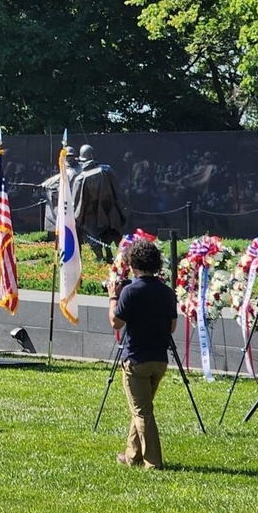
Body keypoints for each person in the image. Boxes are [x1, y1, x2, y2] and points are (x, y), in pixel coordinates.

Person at [109, 239, 177, 470]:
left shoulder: (130, 291)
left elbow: (115, 323)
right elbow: (172, 327)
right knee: (141, 408)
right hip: (159, 360)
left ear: (132, 263)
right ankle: (132, 455)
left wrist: (112, 297)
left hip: (136, 359)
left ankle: (153, 462)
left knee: (142, 412)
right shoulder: (166, 292)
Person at [74, 143, 128, 261]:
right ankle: (116, 256)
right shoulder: (108, 170)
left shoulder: (80, 178)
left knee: (92, 234)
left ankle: (100, 258)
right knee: (110, 231)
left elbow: (76, 202)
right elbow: (118, 191)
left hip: (90, 214)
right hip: (109, 210)